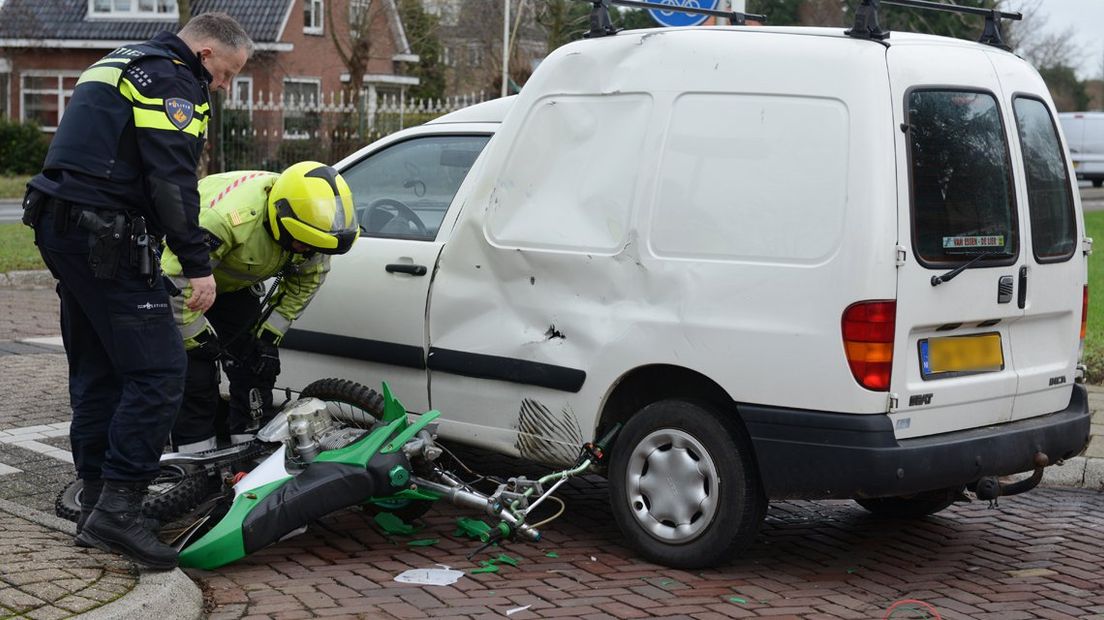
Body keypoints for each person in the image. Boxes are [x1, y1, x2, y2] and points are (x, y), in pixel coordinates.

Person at [20, 13, 253, 570]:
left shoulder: (119, 61)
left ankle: (96, 497)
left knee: (100, 365)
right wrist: (198, 266)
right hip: (107, 238)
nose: (222, 88)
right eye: (226, 74)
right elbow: (170, 181)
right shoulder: (174, 80)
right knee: (158, 371)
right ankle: (120, 510)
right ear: (204, 54)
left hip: (62, 227)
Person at [165, 162, 359, 452]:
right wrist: (197, 340)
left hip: (232, 288)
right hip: (186, 284)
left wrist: (268, 338)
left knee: (256, 365)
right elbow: (175, 281)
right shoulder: (227, 220)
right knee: (197, 377)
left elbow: (306, 282)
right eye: (303, 244)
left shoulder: (313, 227)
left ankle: (251, 452)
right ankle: (195, 466)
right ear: (280, 219)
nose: (309, 252)